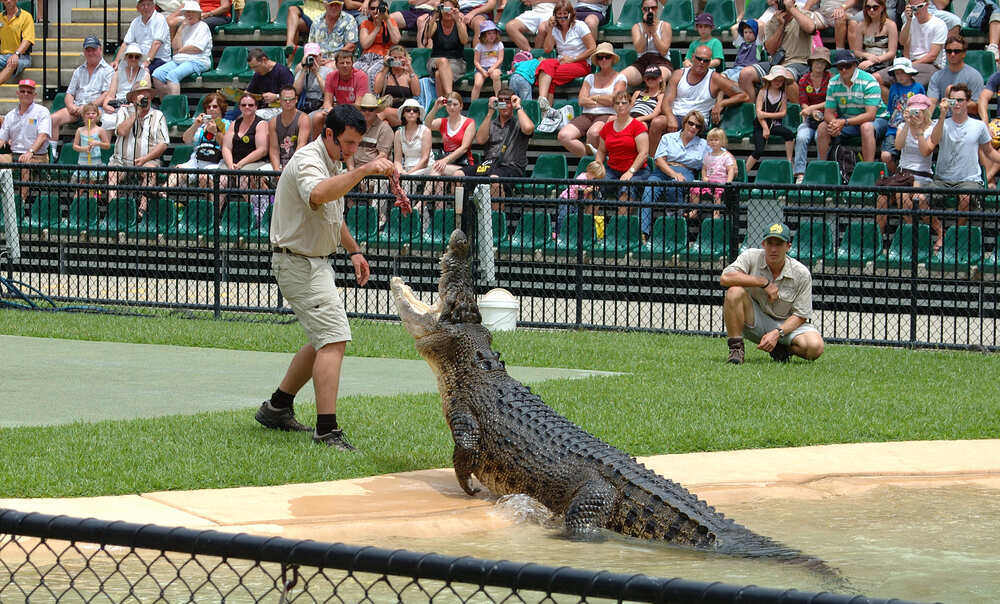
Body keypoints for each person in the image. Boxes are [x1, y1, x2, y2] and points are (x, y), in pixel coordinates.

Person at [256, 104, 396, 450]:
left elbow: (331, 212)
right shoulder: (309, 160)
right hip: (298, 263)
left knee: (323, 338)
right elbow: (319, 194)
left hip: (311, 263)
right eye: (348, 143)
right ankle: (327, 430)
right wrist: (363, 170)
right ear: (329, 134)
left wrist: (354, 250)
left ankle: (277, 407)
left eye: (357, 144)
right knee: (334, 339)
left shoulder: (332, 161)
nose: (352, 150)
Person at [720, 222, 825, 364]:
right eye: (770, 243)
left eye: (779, 244)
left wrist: (777, 333)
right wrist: (763, 282)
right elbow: (725, 278)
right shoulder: (751, 256)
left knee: (815, 347)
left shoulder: (801, 273)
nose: (773, 249)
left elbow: (801, 316)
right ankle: (736, 350)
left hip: (786, 324)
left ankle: (781, 349)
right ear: (763, 244)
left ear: (788, 246)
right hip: (755, 319)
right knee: (734, 292)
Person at [927, 84, 1000, 252]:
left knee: (966, 198)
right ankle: (942, 233)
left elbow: (989, 151)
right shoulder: (941, 123)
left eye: (960, 100)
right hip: (942, 179)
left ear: (967, 102)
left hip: (969, 179)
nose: (957, 104)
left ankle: (954, 234)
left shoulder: (979, 126)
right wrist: (942, 114)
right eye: (953, 100)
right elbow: (934, 140)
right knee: (918, 199)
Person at [737, 0, 820, 105]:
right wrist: (781, 26)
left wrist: (791, 8)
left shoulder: (804, 14)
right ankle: (752, 110)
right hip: (776, 63)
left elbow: (811, 29)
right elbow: (770, 50)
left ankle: (800, 111)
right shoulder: (772, 21)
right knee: (745, 74)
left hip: (800, 62)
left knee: (785, 76)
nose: (776, 4)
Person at [107, 79, 169, 217]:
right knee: (112, 174)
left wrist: (145, 159)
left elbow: (164, 143)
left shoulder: (158, 115)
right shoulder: (124, 111)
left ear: (151, 97)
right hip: (121, 161)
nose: (145, 97)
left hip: (147, 160)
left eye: (147, 94)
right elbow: (121, 131)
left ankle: (141, 211)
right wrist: (136, 112)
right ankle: (114, 209)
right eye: (141, 95)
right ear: (133, 98)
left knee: (150, 171)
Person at [463, 89, 534, 206]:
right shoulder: (491, 123)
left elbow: (528, 128)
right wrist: (490, 111)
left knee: (494, 179)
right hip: (489, 165)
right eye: (501, 101)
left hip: (511, 167)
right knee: (458, 176)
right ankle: (459, 215)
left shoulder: (519, 123)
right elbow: (480, 139)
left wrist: (518, 107)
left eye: (508, 101)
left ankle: (497, 216)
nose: (504, 105)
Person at [817, 49, 888, 164]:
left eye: (847, 66)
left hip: (877, 119)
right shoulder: (833, 82)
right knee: (823, 127)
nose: (844, 70)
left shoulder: (869, 81)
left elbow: (871, 115)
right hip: (847, 121)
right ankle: (823, 166)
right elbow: (828, 113)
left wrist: (843, 122)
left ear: (855, 65)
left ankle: (867, 168)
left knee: (866, 127)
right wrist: (834, 124)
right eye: (840, 67)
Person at [876, 93, 933, 236]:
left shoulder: (932, 128)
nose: (916, 113)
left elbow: (925, 152)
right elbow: (898, 146)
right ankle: (878, 236)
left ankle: (913, 234)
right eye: (913, 110)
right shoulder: (902, 126)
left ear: (925, 111)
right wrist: (907, 124)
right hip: (902, 174)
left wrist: (919, 130)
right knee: (882, 198)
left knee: (903, 196)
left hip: (921, 175)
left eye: (919, 110)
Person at [642, 110, 709, 230]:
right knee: (649, 190)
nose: (693, 127)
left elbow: (720, 152)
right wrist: (673, 173)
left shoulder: (703, 144)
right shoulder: (668, 137)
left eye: (697, 126)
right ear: (684, 123)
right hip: (663, 170)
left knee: (674, 186)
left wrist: (731, 163)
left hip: (686, 171)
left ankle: (675, 228)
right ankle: (643, 232)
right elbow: (659, 160)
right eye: (691, 123)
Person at [556, 42, 625, 158]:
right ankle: (592, 160)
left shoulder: (620, 77)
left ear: (612, 59)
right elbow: (581, 101)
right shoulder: (590, 77)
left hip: (607, 115)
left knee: (593, 133)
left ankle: (595, 163)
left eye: (607, 56)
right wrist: (603, 100)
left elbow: (614, 100)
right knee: (563, 136)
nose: (603, 59)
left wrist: (594, 97)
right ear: (597, 60)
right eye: (600, 57)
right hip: (586, 115)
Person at [663, 44, 748, 132]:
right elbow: (666, 102)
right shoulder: (678, 74)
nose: (702, 63)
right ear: (693, 57)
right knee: (658, 122)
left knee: (687, 124)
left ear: (710, 62)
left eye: (706, 61)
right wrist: (670, 117)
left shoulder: (716, 78)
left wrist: (721, 104)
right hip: (676, 115)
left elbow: (744, 95)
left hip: (698, 119)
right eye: (699, 59)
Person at [535, 0, 595, 110]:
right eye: (559, 15)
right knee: (546, 64)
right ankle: (543, 101)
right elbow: (547, 49)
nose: (562, 18)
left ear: (571, 15)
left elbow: (592, 48)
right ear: (555, 16)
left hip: (580, 63)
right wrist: (550, 30)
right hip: (562, 62)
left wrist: (573, 59)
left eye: (565, 15)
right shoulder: (555, 29)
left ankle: (545, 108)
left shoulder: (580, 26)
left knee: (547, 76)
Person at [50, 36, 114, 138]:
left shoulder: (108, 70)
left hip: (97, 109)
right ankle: (52, 148)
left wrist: (86, 108)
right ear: (84, 52)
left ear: (100, 49)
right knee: (52, 119)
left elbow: (106, 94)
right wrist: (71, 106)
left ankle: (90, 147)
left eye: (94, 49)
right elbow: (70, 93)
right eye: (88, 50)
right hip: (77, 108)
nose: (91, 53)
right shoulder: (78, 71)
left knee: (91, 118)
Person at [0, 79, 50, 205]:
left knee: (25, 162)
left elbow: (43, 136)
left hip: (38, 156)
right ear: (17, 93)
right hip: (14, 154)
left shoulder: (42, 111)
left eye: (29, 92)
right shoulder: (10, 115)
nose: (25, 94)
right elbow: (2, 139)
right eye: (22, 91)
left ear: (35, 95)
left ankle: (21, 202)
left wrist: (30, 152)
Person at [595, 90, 649, 207]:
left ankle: (622, 218)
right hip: (612, 169)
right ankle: (591, 217)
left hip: (637, 171)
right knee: (594, 187)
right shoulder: (607, 127)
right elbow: (601, 150)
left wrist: (630, 171)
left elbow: (644, 153)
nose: (620, 105)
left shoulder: (638, 126)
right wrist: (598, 165)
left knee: (627, 189)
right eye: (617, 103)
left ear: (630, 105)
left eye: (624, 103)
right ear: (613, 106)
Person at [876, 0, 944, 89]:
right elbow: (902, 42)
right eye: (913, 8)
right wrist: (908, 21)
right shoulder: (910, 23)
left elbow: (932, 56)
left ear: (927, 5)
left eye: (919, 6)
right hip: (908, 64)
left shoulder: (938, 24)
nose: (916, 10)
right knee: (875, 78)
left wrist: (909, 65)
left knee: (906, 84)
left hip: (930, 65)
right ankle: (893, 97)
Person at [168, 92, 230, 188]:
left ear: (221, 108)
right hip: (196, 161)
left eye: (215, 106)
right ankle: (163, 191)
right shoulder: (201, 125)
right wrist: (195, 125)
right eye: (208, 107)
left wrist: (215, 132)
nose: (211, 109)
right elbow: (186, 139)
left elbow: (225, 145)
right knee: (178, 170)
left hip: (216, 162)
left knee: (203, 177)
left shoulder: (227, 124)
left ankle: (213, 198)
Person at [151, 1, 212, 97]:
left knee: (172, 76)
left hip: (197, 61)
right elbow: (175, 47)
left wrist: (181, 50)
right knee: (157, 75)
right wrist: (180, 29)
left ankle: (174, 104)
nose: (189, 14)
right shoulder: (184, 27)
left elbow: (197, 48)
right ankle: (168, 100)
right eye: (187, 12)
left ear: (198, 14)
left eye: (192, 12)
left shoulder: (203, 26)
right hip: (179, 60)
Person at [221, 92, 269, 209]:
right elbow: (226, 147)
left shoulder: (261, 124)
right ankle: (216, 216)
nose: (247, 107)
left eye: (250, 105)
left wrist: (241, 164)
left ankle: (256, 211)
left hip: (254, 162)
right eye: (243, 105)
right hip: (233, 162)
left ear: (256, 107)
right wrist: (230, 165)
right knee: (220, 181)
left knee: (242, 179)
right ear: (240, 107)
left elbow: (262, 150)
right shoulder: (234, 124)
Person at [793, 46, 831, 182]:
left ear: (826, 65)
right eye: (817, 61)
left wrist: (813, 108)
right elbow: (803, 102)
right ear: (811, 63)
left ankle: (820, 171)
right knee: (801, 137)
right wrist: (811, 111)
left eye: (822, 62)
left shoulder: (831, 79)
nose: (819, 65)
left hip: (827, 119)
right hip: (810, 120)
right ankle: (800, 173)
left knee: (819, 137)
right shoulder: (804, 80)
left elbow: (831, 101)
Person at [425, 91, 475, 191]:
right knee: (439, 180)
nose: (452, 107)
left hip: (464, 164)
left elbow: (464, 148)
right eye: (449, 104)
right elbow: (427, 125)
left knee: (437, 168)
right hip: (447, 164)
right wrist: (435, 107)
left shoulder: (469, 122)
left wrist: (444, 160)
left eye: (455, 104)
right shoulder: (442, 121)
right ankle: (436, 201)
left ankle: (422, 200)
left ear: (461, 106)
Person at [880, 57, 924, 172]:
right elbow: (891, 107)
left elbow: (923, 108)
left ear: (910, 73)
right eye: (897, 73)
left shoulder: (918, 87)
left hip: (913, 128)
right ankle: (895, 175)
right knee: (886, 156)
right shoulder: (893, 87)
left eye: (902, 72)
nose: (899, 76)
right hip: (894, 129)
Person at [310, 50, 369, 136]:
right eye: (342, 63)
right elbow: (327, 102)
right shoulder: (331, 76)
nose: (345, 65)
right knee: (317, 117)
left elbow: (358, 105)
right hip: (338, 109)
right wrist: (330, 110)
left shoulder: (361, 77)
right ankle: (318, 143)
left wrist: (339, 112)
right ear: (336, 65)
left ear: (352, 64)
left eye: (348, 63)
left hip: (355, 111)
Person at [748, 66, 794, 172]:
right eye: (775, 80)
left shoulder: (783, 94)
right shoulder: (763, 92)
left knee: (789, 134)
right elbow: (759, 114)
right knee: (759, 150)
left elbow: (783, 113)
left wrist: (766, 115)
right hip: (760, 124)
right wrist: (765, 127)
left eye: (781, 80)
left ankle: (789, 160)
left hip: (774, 124)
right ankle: (746, 171)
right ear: (770, 80)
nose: (778, 82)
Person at [422, 0, 468, 98]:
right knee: (443, 61)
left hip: (456, 61)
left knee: (438, 74)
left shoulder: (460, 24)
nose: (447, 12)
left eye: (450, 9)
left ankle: (443, 102)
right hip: (436, 60)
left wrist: (457, 21)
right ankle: (450, 96)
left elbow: (464, 41)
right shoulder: (436, 24)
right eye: (445, 9)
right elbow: (428, 35)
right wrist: (434, 17)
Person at [620, 0, 671, 87]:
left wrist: (654, 32)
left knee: (659, 79)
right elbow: (639, 49)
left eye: (653, 8)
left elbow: (663, 51)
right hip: (643, 61)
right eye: (646, 9)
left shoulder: (665, 25)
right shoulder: (637, 27)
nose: (650, 11)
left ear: (657, 9)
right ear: (642, 10)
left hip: (661, 60)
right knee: (621, 78)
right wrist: (645, 31)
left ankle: (659, 95)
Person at [926, 35, 984, 110]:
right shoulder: (937, 76)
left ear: (964, 53)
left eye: (957, 51)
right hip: (944, 116)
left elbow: (977, 107)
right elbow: (932, 102)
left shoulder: (974, 76)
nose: (952, 54)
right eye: (949, 51)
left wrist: (952, 103)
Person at [690, 127, 735, 221]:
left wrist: (728, 182)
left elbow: (731, 170)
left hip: (720, 182)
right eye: (711, 140)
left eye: (716, 140)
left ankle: (716, 213)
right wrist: (704, 177)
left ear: (722, 141)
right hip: (709, 181)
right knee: (695, 189)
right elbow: (704, 168)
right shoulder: (707, 155)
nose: (713, 142)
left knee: (717, 193)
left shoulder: (726, 156)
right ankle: (694, 210)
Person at [103, 44, 151, 130]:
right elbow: (110, 95)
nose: (133, 59)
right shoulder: (117, 73)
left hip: (136, 107)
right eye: (130, 56)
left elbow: (146, 98)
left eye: (136, 57)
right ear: (126, 57)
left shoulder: (145, 75)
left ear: (139, 59)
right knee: (107, 120)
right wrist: (106, 105)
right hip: (118, 106)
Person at [114, 0, 168, 75]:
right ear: (137, 8)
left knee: (141, 72)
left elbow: (157, 43)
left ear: (154, 6)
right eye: (143, 5)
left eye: (148, 4)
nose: (146, 7)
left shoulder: (160, 19)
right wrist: (116, 61)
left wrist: (147, 61)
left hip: (158, 59)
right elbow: (126, 44)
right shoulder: (135, 22)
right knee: (117, 71)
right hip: (139, 58)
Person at [554, 160, 604, 238]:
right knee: (563, 216)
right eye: (595, 178)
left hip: (576, 202)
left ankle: (570, 234)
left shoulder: (589, 180)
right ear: (590, 172)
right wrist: (589, 189)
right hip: (567, 199)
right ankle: (558, 233)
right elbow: (577, 190)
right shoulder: (582, 177)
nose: (595, 180)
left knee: (575, 218)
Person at [393, 98, 432, 195]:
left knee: (407, 181)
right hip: (405, 169)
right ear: (403, 114)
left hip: (425, 169)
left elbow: (425, 159)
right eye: (408, 110)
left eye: (415, 110)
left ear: (418, 114)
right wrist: (400, 171)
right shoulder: (398, 133)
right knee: (385, 180)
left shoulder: (425, 131)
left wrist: (409, 173)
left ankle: (406, 204)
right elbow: (397, 160)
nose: (411, 112)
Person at [373, 45, 420, 126]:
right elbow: (377, 90)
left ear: (405, 59)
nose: (397, 60)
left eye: (400, 57)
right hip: (386, 112)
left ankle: (368, 130)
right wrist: (385, 66)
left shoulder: (408, 76)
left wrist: (410, 69)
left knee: (385, 111)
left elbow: (417, 93)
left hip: (405, 113)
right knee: (385, 123)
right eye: (394, 58)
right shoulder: (385, 75)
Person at [356, 0, 401, 86]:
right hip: (367, 56)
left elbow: (396, 40)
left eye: (379, 8)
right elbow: (365, 44)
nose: (376, 11)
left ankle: (373, 94)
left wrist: (386, 19)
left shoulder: (391, 21)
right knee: (354, 70)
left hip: (383, 57)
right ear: (369, 10)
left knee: (372, 72)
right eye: (373, 8)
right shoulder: (365, 23)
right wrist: (377, 27)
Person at [847, 0, 896, 76]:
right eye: (868, 7)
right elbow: (857, 51)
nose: (871, 10)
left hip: (884, 60)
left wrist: (873, 60)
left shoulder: (890, 25)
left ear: (882, 7)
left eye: (875, 7)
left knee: (868, 74)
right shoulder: (861, 26)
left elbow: (892, 53)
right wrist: (867, 56)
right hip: (866, 58)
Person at [71, 103, 110, 196]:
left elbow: (107, 145)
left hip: (95, 163)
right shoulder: (80, 130)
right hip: (83, 163)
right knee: (80, 189)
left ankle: (93, 203)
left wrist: (97, 143)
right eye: (87, 113)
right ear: (83, 116)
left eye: (93, 113)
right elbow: (75, 146)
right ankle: (76, 204)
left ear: (97, 115)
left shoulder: (100, 130)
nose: (90, 115)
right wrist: (84, 149)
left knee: (93, 190)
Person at [246, 47, 295, 120]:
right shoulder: (258, 74)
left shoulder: (283, 72)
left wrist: (276, 96)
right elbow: (250, 91)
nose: (254, 70)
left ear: (264, 60)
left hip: (281, 108)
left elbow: (292, 95)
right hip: (263, 107)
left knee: (253, 115)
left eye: (256, 67)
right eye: (252, 68)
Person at [269, 85, 311, 172]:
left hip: (300, 162)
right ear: (280, 100)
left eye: (291, 99)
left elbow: (301, 145)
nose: (288, 102)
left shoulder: (303, 119)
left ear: (296, 100)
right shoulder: (273, 122)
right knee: (259, 176)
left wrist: (288, 168)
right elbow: (274, 149)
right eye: (285, 99)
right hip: (281, 163)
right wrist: (276, 169)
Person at [307, 0, 359, 64]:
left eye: (337, 5)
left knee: (328, 67)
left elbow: (351, 46)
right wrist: (316, 59)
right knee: (300, 67)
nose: (334, 7)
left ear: (342, 6)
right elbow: (311, 44)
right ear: (325, 5)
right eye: (331, 5)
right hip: (318, 59)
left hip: (340, 60)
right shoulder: (317, 21)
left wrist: (332, 59)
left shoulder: (349, 20)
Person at [630, 66, 668, 153]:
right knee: (612, 119)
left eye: (653, 78)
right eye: (648, 78)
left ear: (660, 79)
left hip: (645, 119)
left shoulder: (660, 95)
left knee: (641, 126)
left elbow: (655, 114)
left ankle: (640, 153)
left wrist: (638, 119)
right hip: (631, 116)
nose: (650, 80)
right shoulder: (637, 93)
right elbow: (630, 108)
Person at [0, 0, 34, 87]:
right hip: (2, 56)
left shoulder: (26, 16)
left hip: (22, 57)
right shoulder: (0, 17)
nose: (8, 1)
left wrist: (16, 54)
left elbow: (27, 40)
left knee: (12, 62)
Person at [293, 43, 333, 115]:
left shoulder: (328, 71)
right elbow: (296, 91)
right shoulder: (302, 71)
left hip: (320, 105)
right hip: (304, 105)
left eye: (315, 56)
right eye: (309, 57)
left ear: (320, 56)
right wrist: (304, 69)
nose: (313, 59)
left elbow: (328, 92)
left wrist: (316, 73)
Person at [721, 19, 765, 83]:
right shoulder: (741, 44)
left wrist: (754, 20)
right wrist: (745, 21)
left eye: (750, 32)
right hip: (735, 69)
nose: (747, 35)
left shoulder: (757, 45)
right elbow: (733, 28)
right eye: (745, 32)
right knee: (721, 76)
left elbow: (761, 25)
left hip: (747, 71)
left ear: (755, 33)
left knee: (733, 79)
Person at [471, 20, 503, 102]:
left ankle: (498, 98)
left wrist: (493, 68)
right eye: (489, 33)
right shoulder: (479, 46)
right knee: (477, 84)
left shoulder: (499, 44)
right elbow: (476, 62)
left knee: (496, 76)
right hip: (481, 68)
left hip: (494, 67)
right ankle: (473, 104)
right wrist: (482, 71)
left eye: (494, 33)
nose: (492, 36)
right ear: (484, 35)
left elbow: (500, 59)